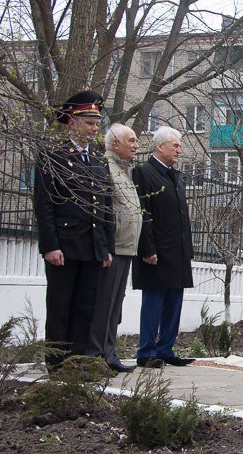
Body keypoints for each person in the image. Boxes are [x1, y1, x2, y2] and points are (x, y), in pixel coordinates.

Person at [34, 90, 115, 370]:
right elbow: (44, 206)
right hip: (65, 246)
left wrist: (106, 247)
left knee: (85, 308)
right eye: (89, 123)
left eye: (96, 123)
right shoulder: (53, 157)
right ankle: (57, 364)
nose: (94, 129)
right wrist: (50, 246)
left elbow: (105, 206)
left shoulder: (98, 160)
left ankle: (77, 362)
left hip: (92, 246)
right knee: (60, 306)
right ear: (72, 123)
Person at [132, 126, 195, 368]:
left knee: (174, 302)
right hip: (156, 251)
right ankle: (147, 351)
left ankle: (166, 348)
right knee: (154, 301)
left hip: (177, 252)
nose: (179, 150)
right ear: (160, 146)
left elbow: (181, 216)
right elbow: (143, 212)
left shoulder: (175, 176)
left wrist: (187, 249)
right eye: (175, 145)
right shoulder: (144, 173)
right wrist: (147, 248)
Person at [86, 124, 141, 374]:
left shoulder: (123, 170)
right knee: (104, 304)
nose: (136, 144)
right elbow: (104, 210)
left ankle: (109, 353)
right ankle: (96, 355)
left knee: (115, 306)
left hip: (126, 247)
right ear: (115, 144)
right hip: (114, 247)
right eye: (131, 140)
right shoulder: (105, 167)